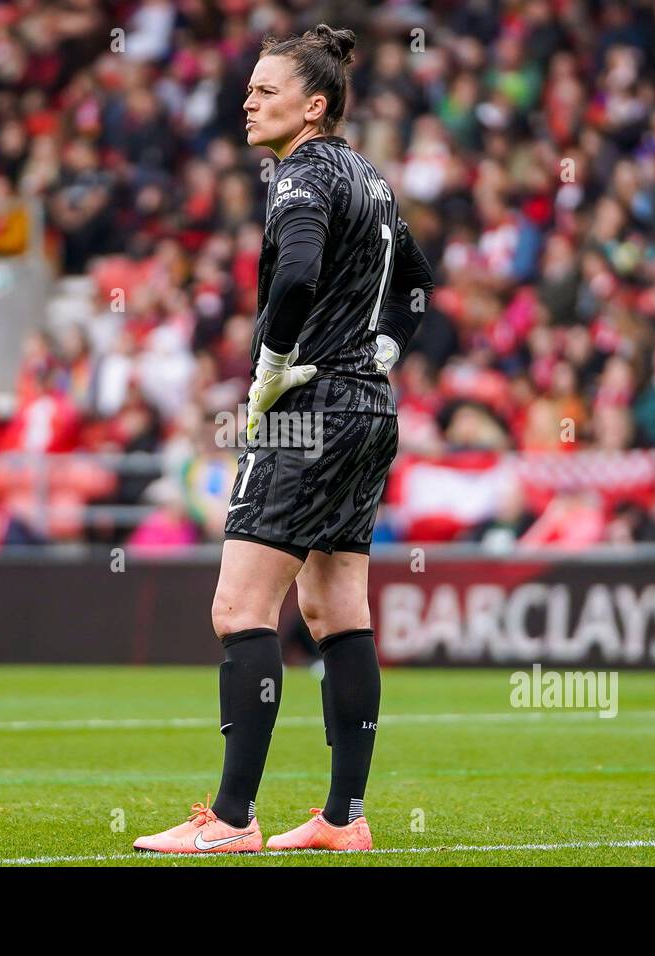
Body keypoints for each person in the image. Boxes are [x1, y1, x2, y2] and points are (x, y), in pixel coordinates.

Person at [133, 25, 434, 854]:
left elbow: (297, 275)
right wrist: (385, 352)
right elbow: (416, 283)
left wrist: (269, 367)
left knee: (239, 608)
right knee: (336, 609)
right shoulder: (369, 178)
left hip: (310, 407)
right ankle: (344, 818)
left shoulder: (300, 171)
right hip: (370, 410)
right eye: (249, 88)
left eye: (265, 91)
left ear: (314, 106)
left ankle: (232, 820)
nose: (247, 101)